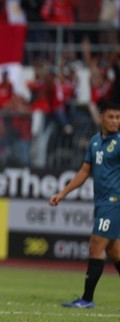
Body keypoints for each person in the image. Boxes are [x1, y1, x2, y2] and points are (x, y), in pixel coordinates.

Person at [49, 102, 120, 309]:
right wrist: (62, 193)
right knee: (115, 252)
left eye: (118, 117)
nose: (116, 121)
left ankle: (86, 299)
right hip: (101, 202)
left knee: (96, 245)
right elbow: (84, 172)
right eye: (112, 117)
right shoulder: (95, 142)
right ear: (101, 118)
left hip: (114, 202)